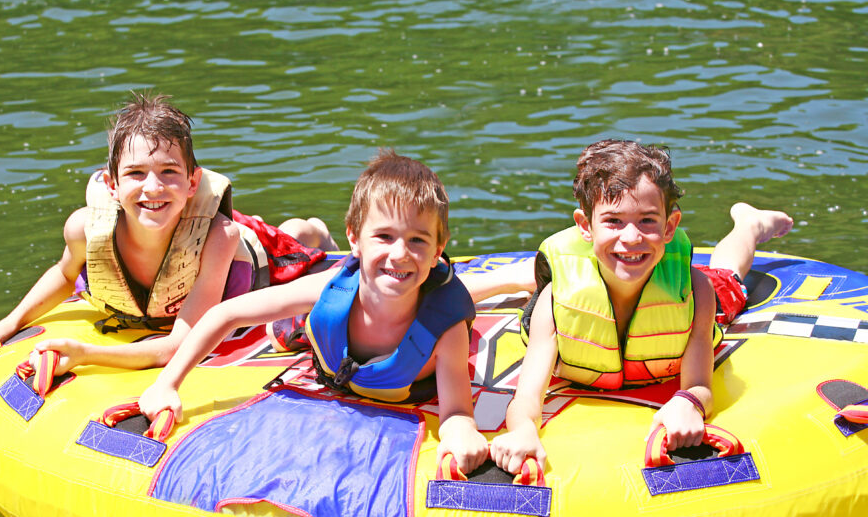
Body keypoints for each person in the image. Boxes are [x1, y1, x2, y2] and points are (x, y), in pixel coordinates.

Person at [139, 149, 490, 475]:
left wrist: (462, 432)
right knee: (282, 330)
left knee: (450, 292)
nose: (399, 253)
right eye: (384, 236)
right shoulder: (331, 290)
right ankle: (314, 234)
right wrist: (167, 384)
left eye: (417, 240)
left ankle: (506, 279)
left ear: (437, 250)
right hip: (324, 345)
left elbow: (457, 411)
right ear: (355, 237)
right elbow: (226, 314)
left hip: (408, 365)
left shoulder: (446, 329)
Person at [0, 93, 337, 374]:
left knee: (295, 240)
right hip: (190, 238)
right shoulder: (84, 229)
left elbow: (177, 345)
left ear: (192, 183)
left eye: (169, 172)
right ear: (111, 185)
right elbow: (64, 273)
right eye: (136, 173)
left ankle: (314, 228)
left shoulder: (220, 237)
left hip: (250, 261)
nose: (152, 187)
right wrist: (5, 325)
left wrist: (86, 353)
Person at [489, 140, 793, 475]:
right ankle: (516, 277)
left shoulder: (695, 292)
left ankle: (749, 225)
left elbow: (700, 385)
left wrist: (688, 403)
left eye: (647, 220)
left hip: (671, 284)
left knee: (728, 277)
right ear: (585, 226)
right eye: (614, 221)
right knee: (547, 281)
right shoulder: (556, 302)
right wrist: (523, 431)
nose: (631, 236)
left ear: (669, 227)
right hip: (589, 279)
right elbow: (527, 399)